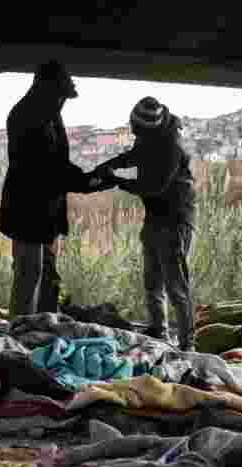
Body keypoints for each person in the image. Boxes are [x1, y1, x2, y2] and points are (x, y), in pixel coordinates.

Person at [0, 61, 105, 318]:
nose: (63, 101)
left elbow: (56, 163)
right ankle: (20, 329)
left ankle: (39, 327)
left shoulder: (48, 113)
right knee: (29, 274)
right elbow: (47, 167)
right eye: (61, 95)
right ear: (46, 89)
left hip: (44, 210)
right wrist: (87, 181)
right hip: (28, 208)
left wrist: (89, 179)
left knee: (44, 276)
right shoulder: (28, 116)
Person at [94, 97, 196, 351]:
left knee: (176, 287)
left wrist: (117, 181)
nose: (134, 132)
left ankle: (187, 345)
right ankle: (158, 331)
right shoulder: (150, 137)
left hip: (175, 222)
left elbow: (153, 186)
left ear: (148, 128)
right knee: (152, 282)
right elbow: (132, 157)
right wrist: (105, 169)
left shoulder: (171, 148)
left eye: (137, 129)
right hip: (155, 218)